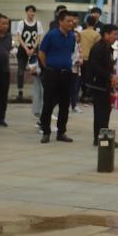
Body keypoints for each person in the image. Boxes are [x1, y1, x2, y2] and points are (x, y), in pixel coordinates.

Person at [38, 10, 78, 143]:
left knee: (65, 105)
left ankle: (61, 132)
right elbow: (42, 53)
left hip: (66, 74)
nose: (71, 23)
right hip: (52, 73)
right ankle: (46, 132)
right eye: (68, 21)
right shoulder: (51, 35)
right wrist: (47, 68)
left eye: (72, 21)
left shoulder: (72, 36)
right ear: (60, 21)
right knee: (48, 103)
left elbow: (70, 52)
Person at [87, 23, 118, 146]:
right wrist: (110, 76)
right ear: (106, 34)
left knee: (102, 113)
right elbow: (95, 67)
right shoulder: (98, 48)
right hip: (98, 85)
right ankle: (104, 141)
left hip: (104, 85)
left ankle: (99, 139)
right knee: (102, 114)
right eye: (114, 34)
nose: (116, 37)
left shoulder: (107, 48)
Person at [13, 5, 40, 102]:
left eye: (33, 11)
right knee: (21, 70)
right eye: (29, 11)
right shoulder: (21, 23)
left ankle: (37, 92)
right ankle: (20, 91)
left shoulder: (38, 23)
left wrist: (33, 48)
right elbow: (19, 37)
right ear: (26, 12)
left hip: (33, 50)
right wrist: (26, 48)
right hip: (23, 50)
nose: (31, 13)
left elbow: (38, 37)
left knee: (36, 71)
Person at [78, 15, 101, 104]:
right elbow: (98, 48)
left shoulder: (81, 33)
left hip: (81, 58)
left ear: (86, 23)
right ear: (95, 23)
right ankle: (87, 96)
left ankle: (80, 95)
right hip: (91, 59)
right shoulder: (97, 34)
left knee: (81, 78)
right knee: (89, 78)